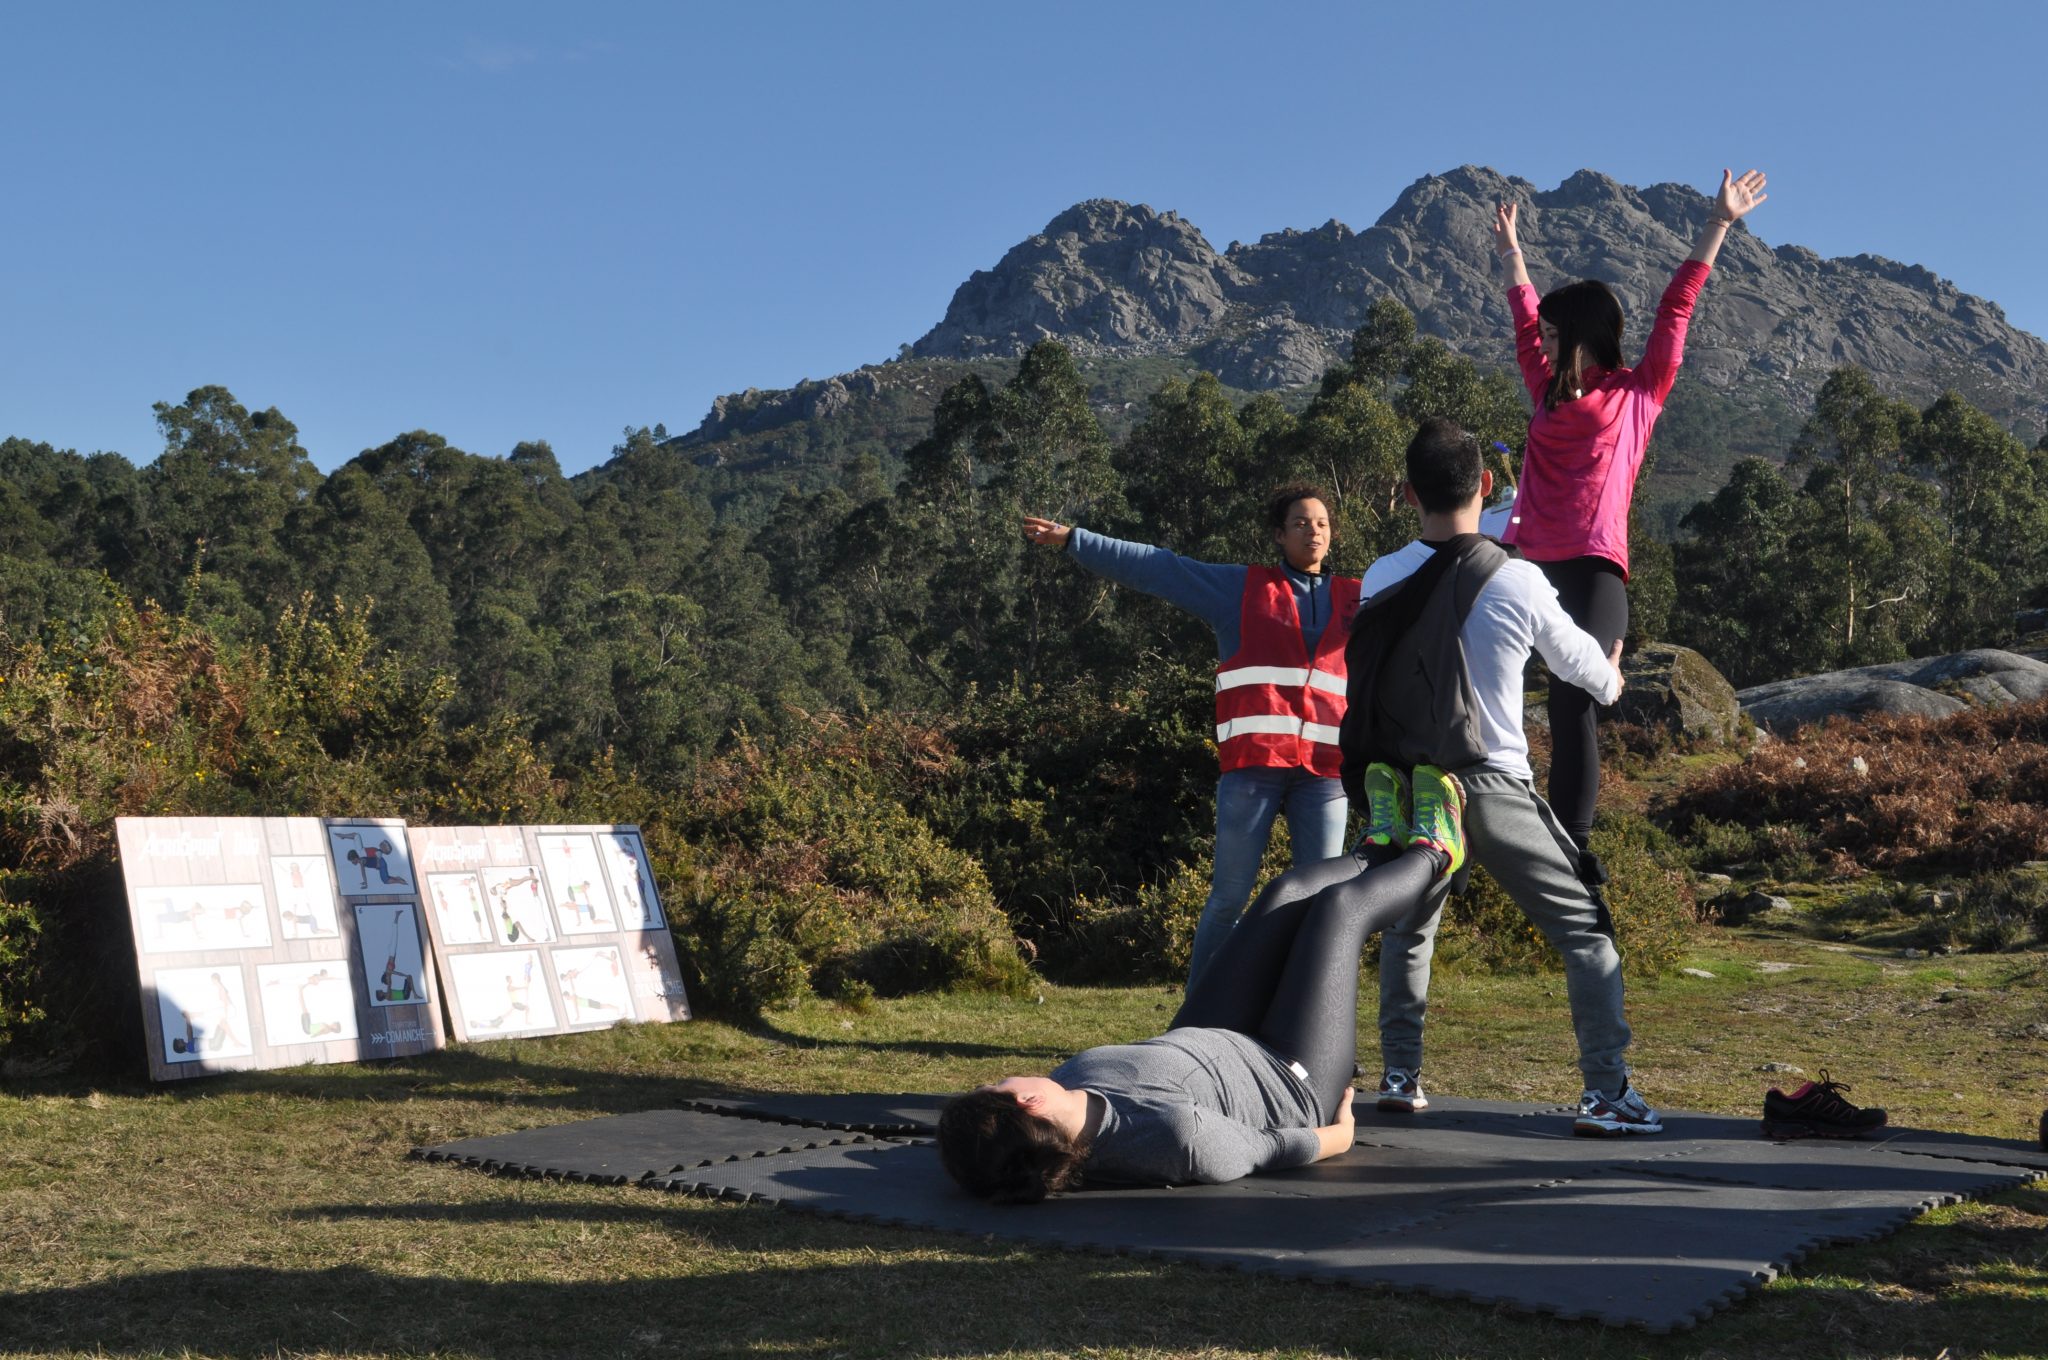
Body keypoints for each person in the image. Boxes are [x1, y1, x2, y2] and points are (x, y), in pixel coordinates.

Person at [937, 765, 1466, 1202]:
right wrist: (1337, 1137)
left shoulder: (1070, 1084)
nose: (1002, 1076)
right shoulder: (1172, 1139)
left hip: (1208, 1038)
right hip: (1289, 1077)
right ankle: (1435, 852)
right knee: (1339, 911)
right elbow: (1263, 1149)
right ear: (1027, 1102)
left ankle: (1378, 845)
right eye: (996, 1086)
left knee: (1284, 892)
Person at [1357, 419, 1655, 1135]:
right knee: (1585, 932)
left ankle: (1401, 1077)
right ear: (1485, 486)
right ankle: (1607, 1094)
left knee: (1409, 931)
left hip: (1407, 788)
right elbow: (1588, 673)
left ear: (1407, 493)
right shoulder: (1517, 577)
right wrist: (1612, 673)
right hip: (1490, 783)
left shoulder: (1379, 576)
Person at [1492, 168, 1768, 855]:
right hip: (1531, 571)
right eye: (1546, 339)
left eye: (1557, 336)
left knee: (1573, 699)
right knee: (1501, 700)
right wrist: (1511, 253)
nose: (1545, 345)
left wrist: (1720, 223)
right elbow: (1524, 317)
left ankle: (1572, 848)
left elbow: (1676, 309)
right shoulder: (1545, 392)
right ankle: (1487, 842)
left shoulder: (1639, 394)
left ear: (1584, 337)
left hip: (1594, 573)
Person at [1022, 486, 1359, 985]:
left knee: (1322, 905)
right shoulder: (1240, 588)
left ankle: (1305, 1027)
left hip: (1326, 774)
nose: (1315, 531)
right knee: (1228, 899)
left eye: (1323, 523)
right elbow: (1161, 567)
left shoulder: (1359, 596)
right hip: (1252, 770)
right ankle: (1197, 1016)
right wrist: (1075, 539)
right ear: (1278, 534)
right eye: (1302, 523)